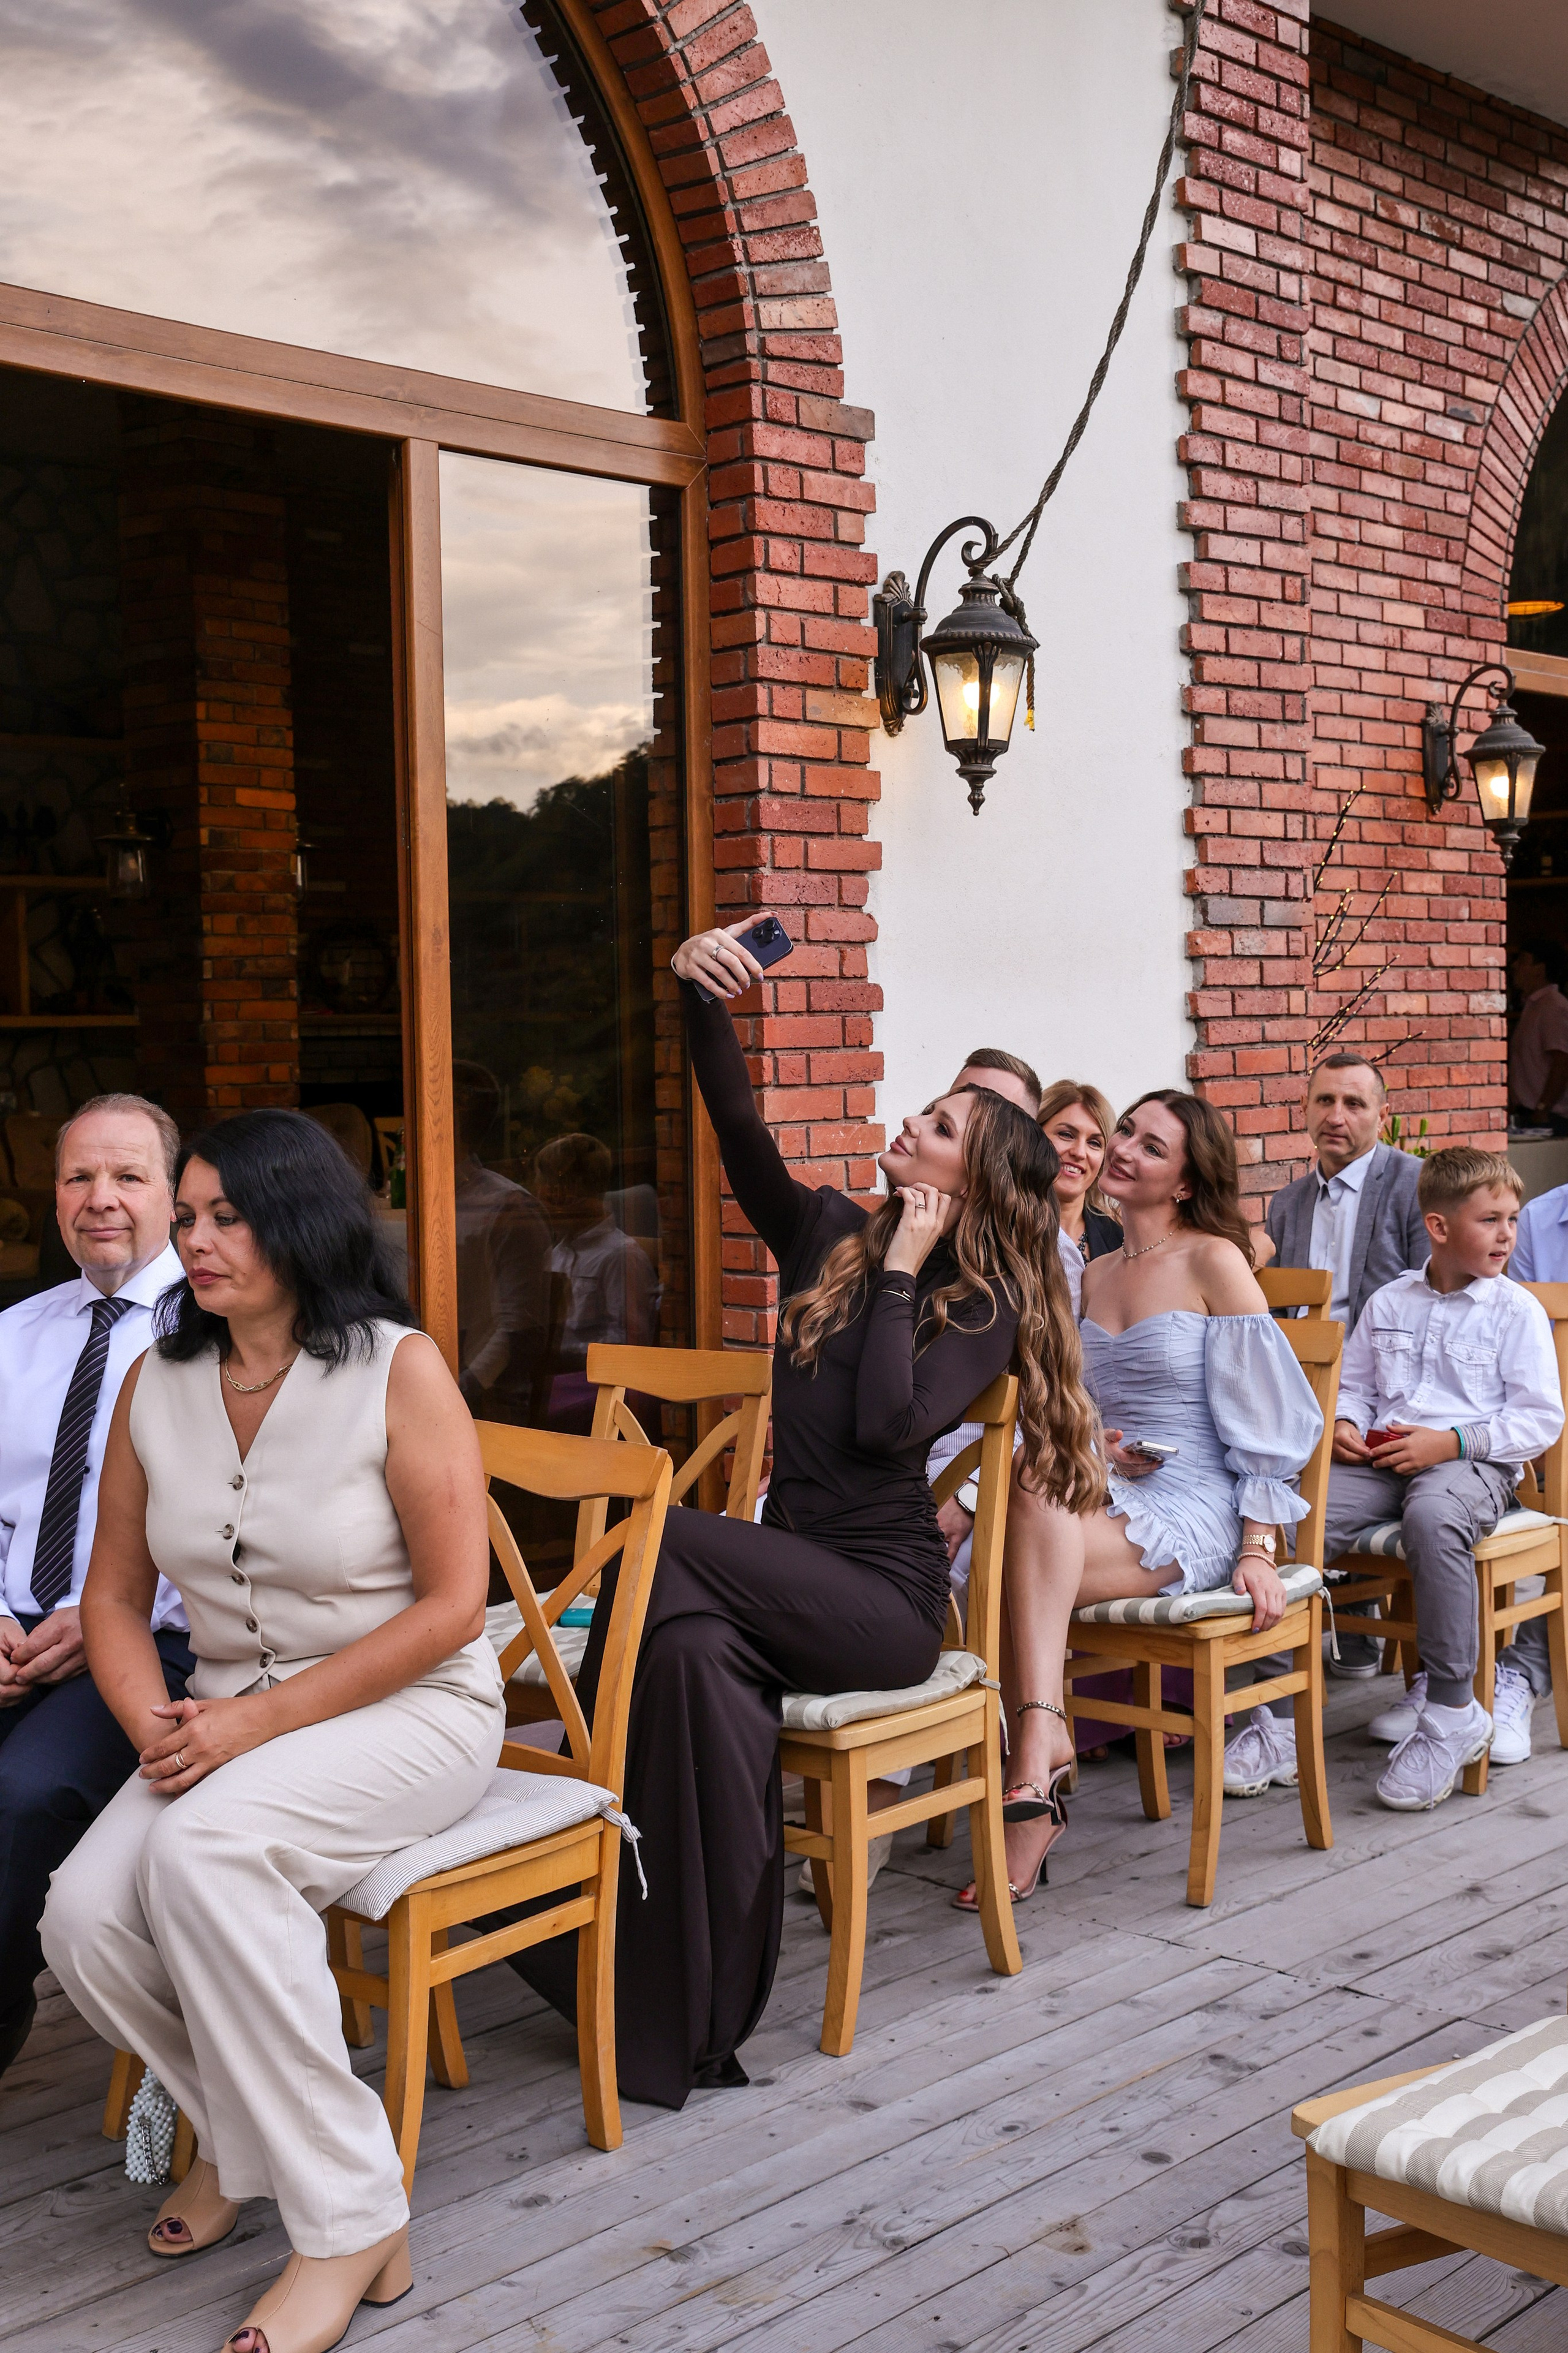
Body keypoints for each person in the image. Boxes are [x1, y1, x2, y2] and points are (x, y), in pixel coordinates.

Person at [512, 919, 1102, 2109]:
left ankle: (530, 1767)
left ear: (962, 1181)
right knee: (681, 1656)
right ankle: (683, 2011)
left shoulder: (974, 1301)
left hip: (881, 1604)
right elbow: (735, 1128)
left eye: (935, 1125)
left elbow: (890, 1427)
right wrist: (696, 996)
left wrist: (902, 1272)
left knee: (649, 1534)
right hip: (778, 1573)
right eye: (929, 1107)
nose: (910, 1120)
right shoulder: (823, 1232)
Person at [40, 1110, 504, 2353]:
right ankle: (263, 2152)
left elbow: (457, 1606)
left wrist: (245, 1727)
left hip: (410, 1707)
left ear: (299, 1221)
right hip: (226, 1715)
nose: (191, 1238)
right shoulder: (160, 1379)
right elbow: (116, 1599)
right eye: (185, 1217)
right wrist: (155, 1726)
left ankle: (346, 2218)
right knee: (80, 1916)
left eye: (221, 1215)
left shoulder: (396, 1369)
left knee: (204, 1858)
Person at [974, 1089, 1324, 1905]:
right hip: (1105, 1489)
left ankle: (1030, 1767)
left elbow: (1270, 1423)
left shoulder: (1214, 1261)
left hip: (1198, 1502)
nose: (1122, 1149)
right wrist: (1097, 1449)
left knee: (998, 1569)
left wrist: (1257, 1547)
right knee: (1020, 1497)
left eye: (1149, 1146)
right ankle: (1039, 1754)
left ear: (1184, 1183)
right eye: (1123, 1132)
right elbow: (1069, 1408)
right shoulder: (1092, 1273)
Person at [1270, 1148, 1558, 1808]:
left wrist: (1451, 1441)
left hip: (1472, 1464)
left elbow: (1538, 1419)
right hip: (1383, 1459)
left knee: (1433, 1519)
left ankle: (1454, 1707)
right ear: (1437, 1226)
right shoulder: (1389, 1299)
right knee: (1291, 1513)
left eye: (1512, 1219)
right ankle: (1276, 1710)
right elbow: (1360, 1388)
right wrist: (1343, 1422)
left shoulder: (1514, 1311)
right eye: (1490, 1220)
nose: (1507, 1234)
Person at [0, 1093, 189, 2079]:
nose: (99, 1199)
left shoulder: (212, 1335)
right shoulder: (15, 1334)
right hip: (14, 1622)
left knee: (23, 1791)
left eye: (127, 1177)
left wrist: (107, 1613)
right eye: (79, 1177)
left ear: (173, 1195)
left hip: (156, 1632)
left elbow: (231, 1533)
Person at [1264, 1051, 1431, 1678]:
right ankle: (1313, 1615)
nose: (1337, 1116)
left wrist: (1348, 1404)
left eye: (1354, 1103)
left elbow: (1430, 1308)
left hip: (1389, 1388)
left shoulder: (1415, 1186)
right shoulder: (1287, 1204)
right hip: (1302, 1384)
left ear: (1382, 1116)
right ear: (1304, 1110)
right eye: (1324, 1101)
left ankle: (1349, 1613)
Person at [536, 1130, 659, 1432]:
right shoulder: (557, 1253)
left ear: (574, 1190)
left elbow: (630, 1341)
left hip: (598, 1387)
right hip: (558, 1378)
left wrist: (560, 1354)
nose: (546, 1198)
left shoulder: (621, 1255)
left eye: (555, 1187)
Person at [1509, 943, 1568, 1135]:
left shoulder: (1552, 1006)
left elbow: (1562, 1060)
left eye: (1523, 961)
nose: (1515, 966)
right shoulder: (1534, 1005)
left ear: (1540, 969)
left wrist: (1543, 1109)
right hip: (1529, 1114)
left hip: (1547, 1118)